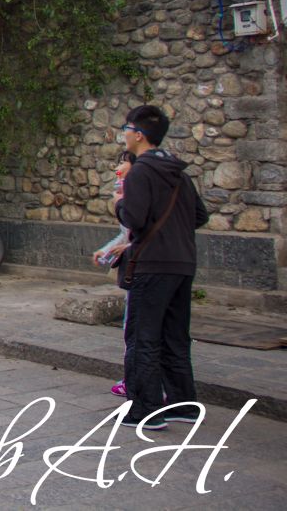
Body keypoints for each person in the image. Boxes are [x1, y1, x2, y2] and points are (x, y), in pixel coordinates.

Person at [114, 105, 208, 431]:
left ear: (139, 135)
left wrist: (119, 204)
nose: (124, 134)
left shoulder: (140, 172)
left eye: (126, 129)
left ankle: (145, 409)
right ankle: (184, 404)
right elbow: (200, 216)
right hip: (183, 263)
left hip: (152, 265)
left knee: (142, 338)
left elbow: (134, 218)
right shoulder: (179, 173)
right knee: (175, 337)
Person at [92, 151, 136, 398]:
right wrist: (107, 250)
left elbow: (146, 233)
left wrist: (129, 247)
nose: (118, 167)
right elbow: (126, 233)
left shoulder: (140, 192)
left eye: (123, 161)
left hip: (147, 267)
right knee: (131, 326)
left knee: (138, 328)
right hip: (135, 266)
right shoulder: (124, 192)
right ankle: (133, 377)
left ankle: (139, 382)